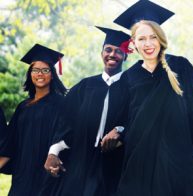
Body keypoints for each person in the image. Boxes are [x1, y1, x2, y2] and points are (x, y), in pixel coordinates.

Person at [113, 1, 193, 195]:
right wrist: (116, 131)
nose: (148, 44)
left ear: (161, 38)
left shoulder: (180, 66)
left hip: (177, 156)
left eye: (153, 37)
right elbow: (124, 118)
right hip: (140, 158)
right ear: (133, 42)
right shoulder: (128, 77)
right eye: (141, 39)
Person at [42, 27, 131, 196]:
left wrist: (121, 130)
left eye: (119, 51)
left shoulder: (131, 87)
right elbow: (66, 120)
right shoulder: (85, 86)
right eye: (108, 50)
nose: (112, 55)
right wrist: (54, 151)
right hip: (81, 161)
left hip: (114, 164)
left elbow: (137, 120)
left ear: (126, 56)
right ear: (101, 53)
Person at [0, 44, 67, 196]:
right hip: (22, 175)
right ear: (30, 74)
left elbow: (66, 135)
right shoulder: (23, 107)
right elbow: (10, 142)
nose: (40, 74)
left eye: (45, 70)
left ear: (52, 74)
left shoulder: (61, 104)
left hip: (47, 175)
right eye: (35, 70)